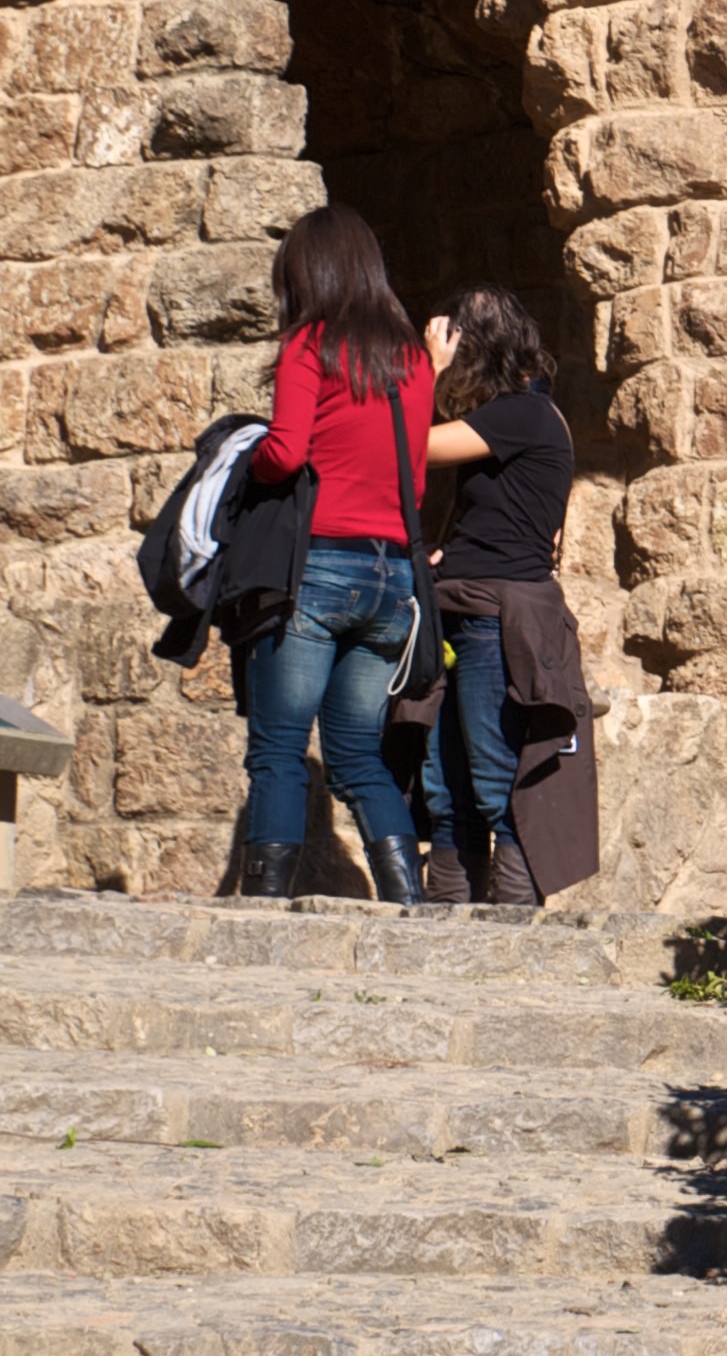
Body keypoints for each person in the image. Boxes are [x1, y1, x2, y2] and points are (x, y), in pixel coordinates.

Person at [225, 207, 435, 902]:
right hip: (392, 579)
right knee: (357, 757)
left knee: (279, 749)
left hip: (318, 570)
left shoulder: (310, 344)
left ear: (305, 273)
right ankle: (408, 904)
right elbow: (414, 481)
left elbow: (285, 454)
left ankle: (262, 910)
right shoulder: (412, 359)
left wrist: (245, 461)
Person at [407, 285, 595, 908]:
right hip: (464, 611)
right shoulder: (508, 418)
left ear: (475, 349)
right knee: (444, 786)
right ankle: (449, 916)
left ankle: (513, 929)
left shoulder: (523, 414)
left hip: (495, 622)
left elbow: (411, 448)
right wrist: (451, 550)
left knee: (494, 780)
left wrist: (427, 369)